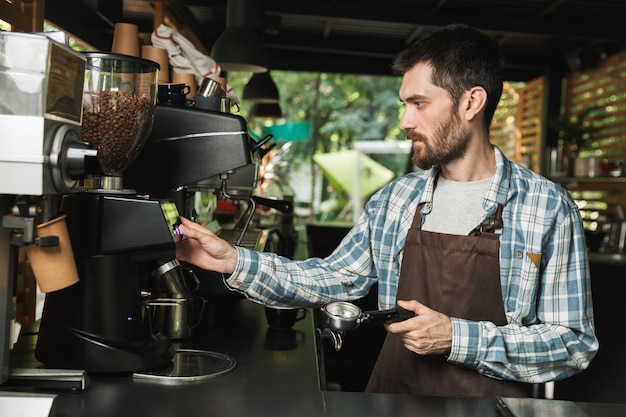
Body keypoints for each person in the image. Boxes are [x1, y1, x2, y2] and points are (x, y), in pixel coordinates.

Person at [175, 24, 598, 398]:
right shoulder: (398, 199)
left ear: (471, 103)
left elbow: (573, 345)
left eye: (419, 103)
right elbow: (335, 279)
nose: (404, 122)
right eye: (403, 104)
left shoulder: (546, 207)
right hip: (393, 399)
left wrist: (456, 337)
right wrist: (233, 261)